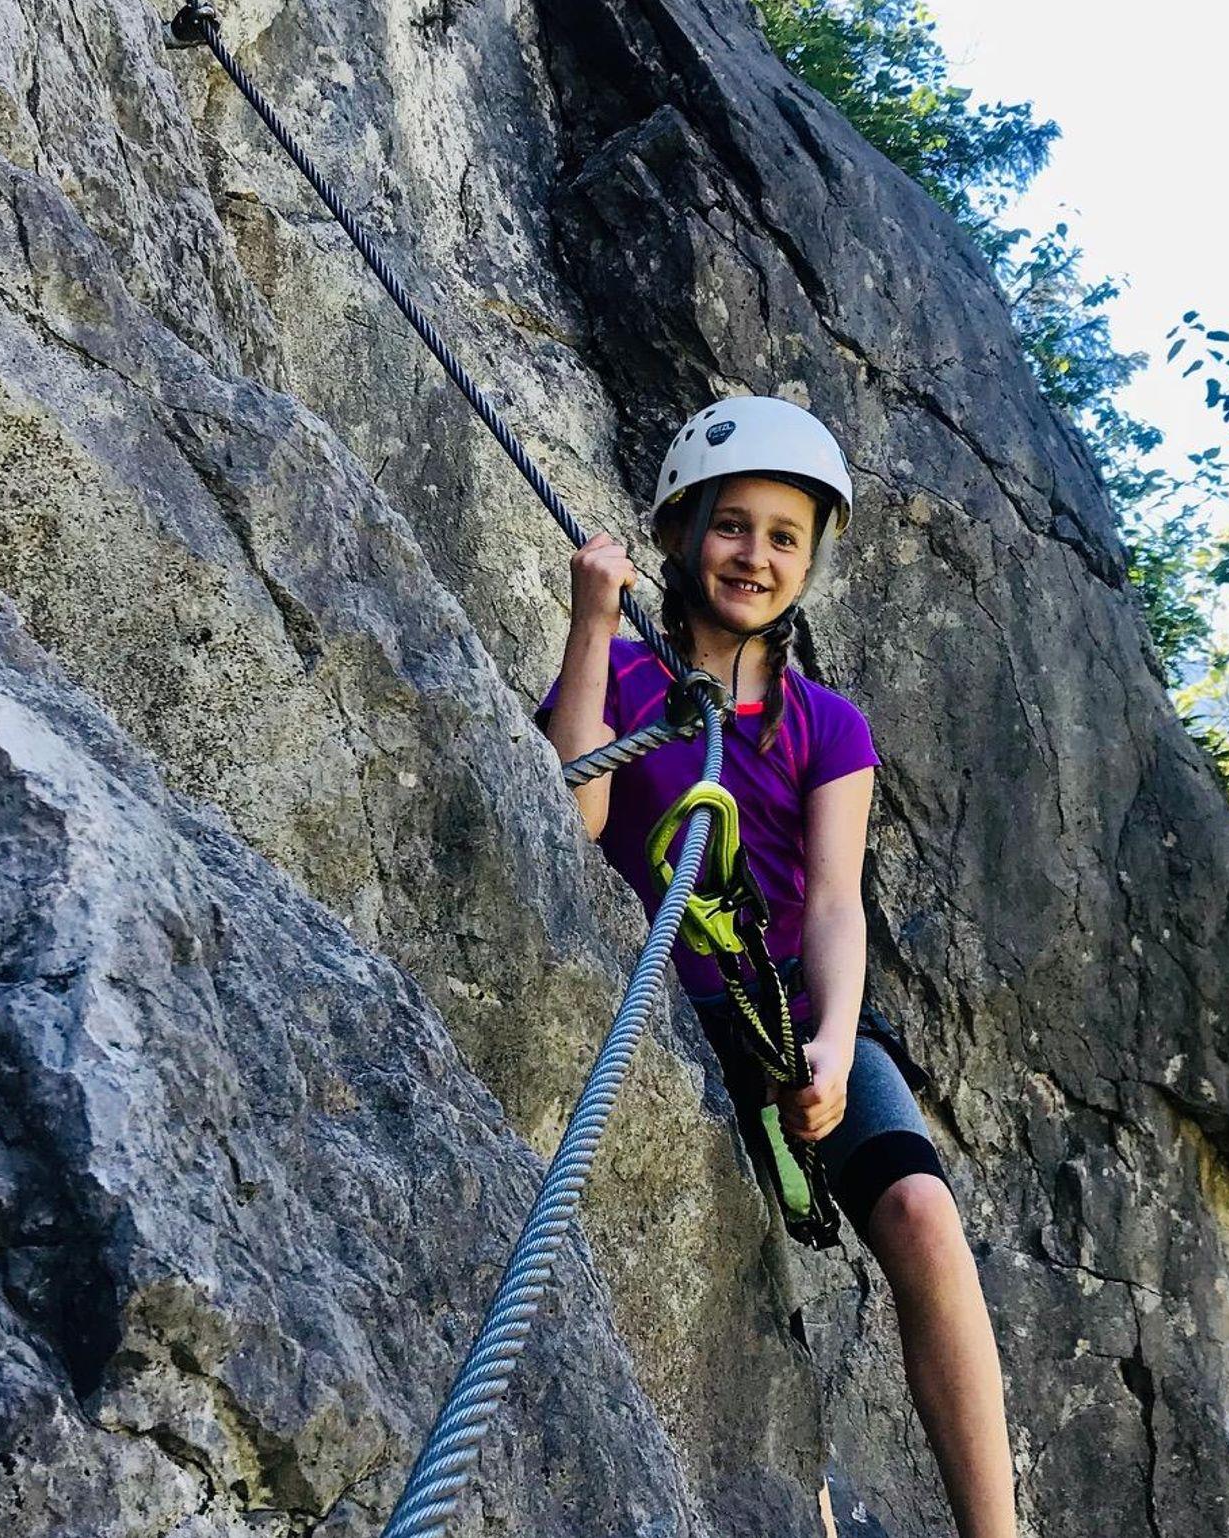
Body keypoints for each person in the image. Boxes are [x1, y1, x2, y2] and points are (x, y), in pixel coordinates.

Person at [536, 397, 1020, 1538]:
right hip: (668, 1011)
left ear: (808, 564)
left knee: (921, 1211)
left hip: (791, 1011)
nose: (754, 554)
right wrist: (591, 626)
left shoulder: (828, 724)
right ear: (677, 533)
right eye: (731, 525)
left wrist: (837, 1045)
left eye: (784, 536)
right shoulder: (625, 682)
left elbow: (838, 902)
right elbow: (571, 818)